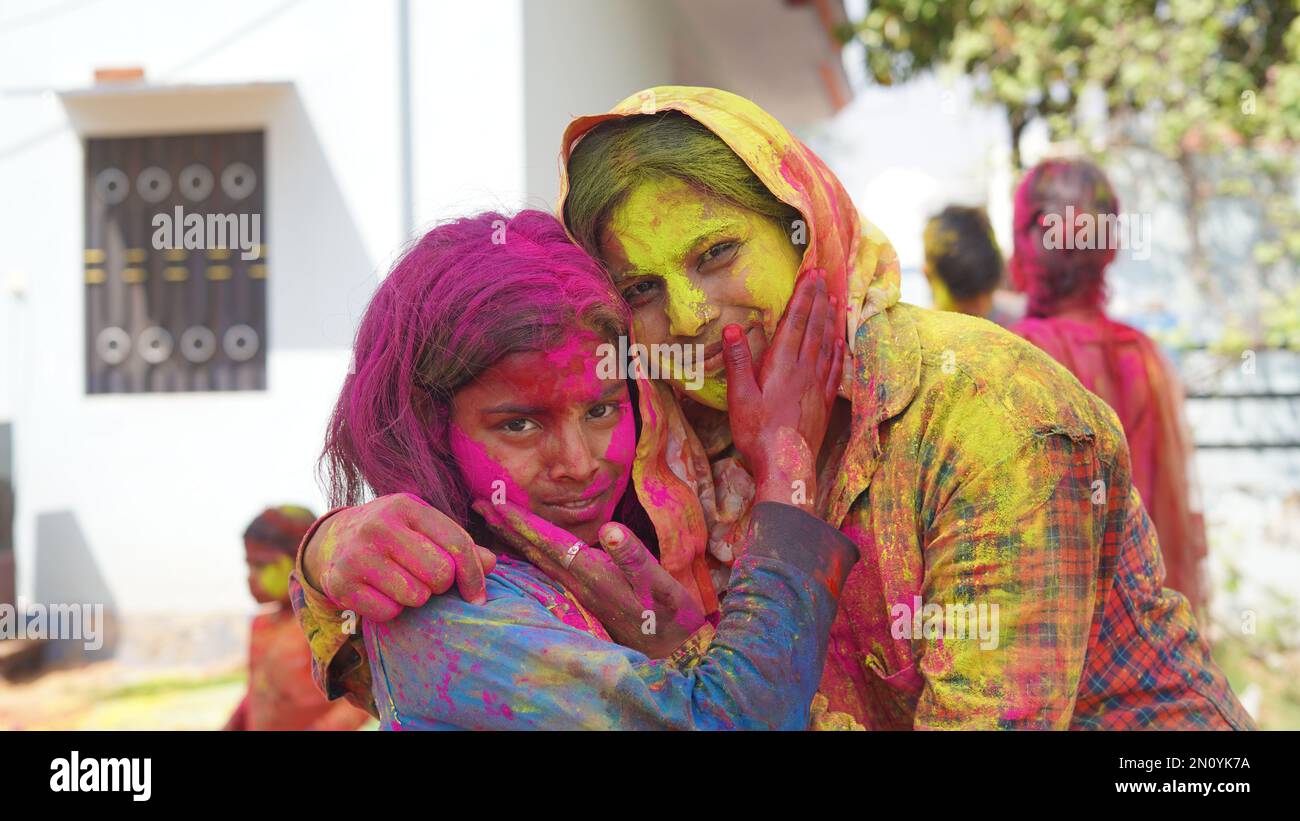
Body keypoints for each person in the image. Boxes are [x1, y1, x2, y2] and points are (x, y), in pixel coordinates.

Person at [298, 88, 1252, 730]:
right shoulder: (660, 439)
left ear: (807, 225)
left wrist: (782, 478)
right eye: (640, 285)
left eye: (716, 254)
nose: (690, 315)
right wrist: (330, 545)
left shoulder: (985, 415)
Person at [295, 210, 857, 729]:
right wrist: (785, 472)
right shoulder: (451, 606)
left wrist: (675, 649)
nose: (580, 463)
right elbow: (729, 720)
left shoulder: (585, 573)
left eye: (602, 409)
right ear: (428, 420)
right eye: (519, 425)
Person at [1008, 158, 1210, 616]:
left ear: (1027, 243)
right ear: (1109, 247)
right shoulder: (1144, 358)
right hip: (1139, 639)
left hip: (1048, 637)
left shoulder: (1014, 356)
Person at [224, 506, 370, 731]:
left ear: (300, 560)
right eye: (248, 565)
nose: (250, 577)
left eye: (261, 565)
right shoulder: (260, 625)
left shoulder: (327, 624)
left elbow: (358, 700)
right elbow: (259, 692)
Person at [922, 205, 1020, 325]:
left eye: (988, 292)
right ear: (929, 277)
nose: (981, 309)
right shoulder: (915, 339)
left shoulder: (1020, 324)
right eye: (965, 299)